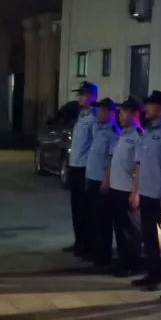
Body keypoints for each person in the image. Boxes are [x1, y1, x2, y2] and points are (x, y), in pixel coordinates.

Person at [131, 91, 161, 291]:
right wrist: (136, 191)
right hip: (145, 192)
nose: (146, 109)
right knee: (148, 237)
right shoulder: (146, 132)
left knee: (160, 239)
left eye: (150, 105)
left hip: (159, 195)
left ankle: (160, 277)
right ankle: (151, 274)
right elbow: (139, 164)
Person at [107, 97, 145, 278]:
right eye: (120, 112)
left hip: (128, 190)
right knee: (120, 229)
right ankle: (123, 261)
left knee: (130, 230)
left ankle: (131, 264)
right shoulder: (122, 134)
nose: (119, 115)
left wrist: (135, 192)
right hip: (116, 188)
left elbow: (139, 166)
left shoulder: (139, 136)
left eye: (123, 112)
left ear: (135, 114)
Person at [63, 81, 98, 259]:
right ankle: (79, 242)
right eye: (79, 94)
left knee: (86, 209)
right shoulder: (81, 116)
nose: (80, 97)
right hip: (75, 167)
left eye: (83, 94)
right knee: (76, 208)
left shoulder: (94, 119)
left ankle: (87, 245)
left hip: (85, 169)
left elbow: (95, 145)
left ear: (92, 97)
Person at [85, 97, 120, 268]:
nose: (99, 113)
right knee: (92, 218)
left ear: (111, 113)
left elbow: (112, 159)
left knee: (103, 220)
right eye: (99, 110)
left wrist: (106, 180)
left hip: (102, 181)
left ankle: (103, 256)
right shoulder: (98, 129)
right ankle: (94, 251)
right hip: (92, 178)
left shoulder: (113, 133)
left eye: (103, 110)